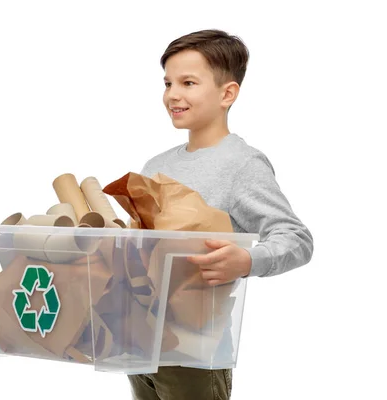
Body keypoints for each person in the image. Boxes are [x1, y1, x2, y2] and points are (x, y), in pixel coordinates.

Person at [127, 29, 314, 399]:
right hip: (138, 337)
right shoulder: (155, 165)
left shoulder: (242, 165)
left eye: (188, 82)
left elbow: (296, 238)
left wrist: (246, 260)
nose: (172, 94)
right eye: (167, 83)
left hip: (196, 346)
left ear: (227, 94)